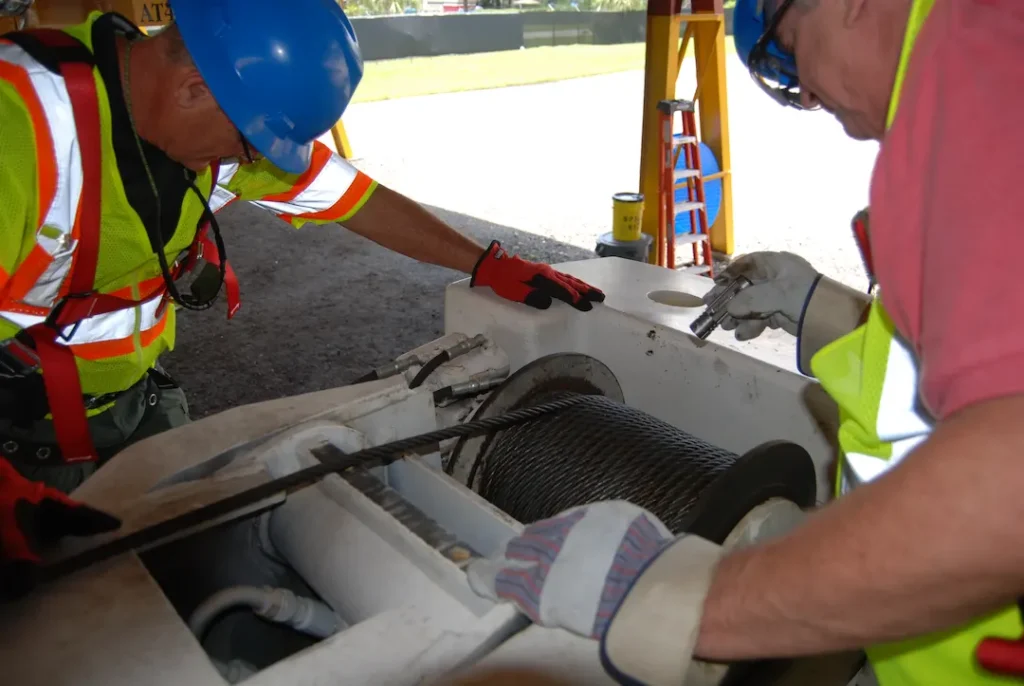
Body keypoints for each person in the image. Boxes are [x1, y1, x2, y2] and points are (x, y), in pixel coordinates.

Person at [467, 0, 1024, 684]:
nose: (806, 93)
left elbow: (1006, 481)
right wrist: (824, 313)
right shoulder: (982, 62)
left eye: (788, 49)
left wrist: (681, 602)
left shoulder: (975, 78)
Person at [0, 0, 604, 494]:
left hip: (138, 404)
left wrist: (485, 262)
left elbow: (357, 199)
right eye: (252, 143)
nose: (251, 162)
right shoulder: (20, 128)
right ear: (191, 89)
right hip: (22, 437)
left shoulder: (202, 112)